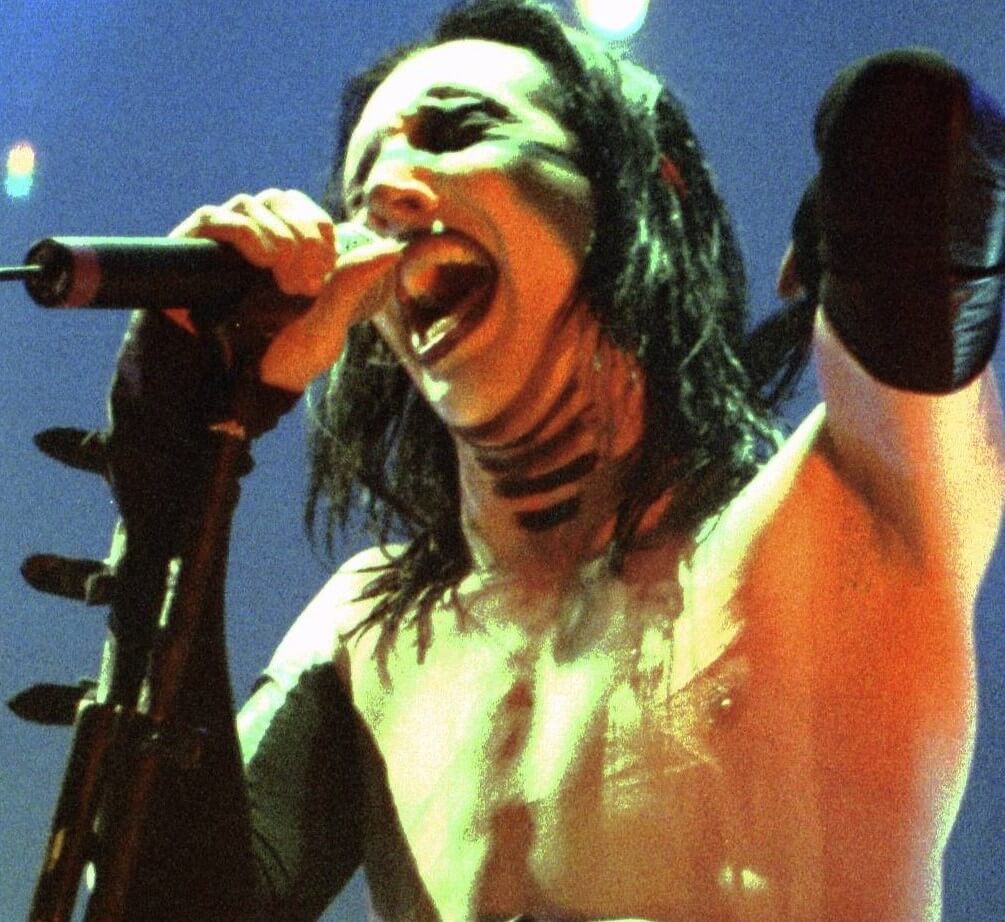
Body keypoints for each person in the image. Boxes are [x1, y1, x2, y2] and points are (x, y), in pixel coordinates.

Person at [37, 0, 1004, 919]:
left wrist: (872, 226)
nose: (381, 194)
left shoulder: (830, 524)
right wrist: (178, 464)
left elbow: (923, 137)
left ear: (644, 188)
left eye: (456, 132)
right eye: (361, 181)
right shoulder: (372, 634)